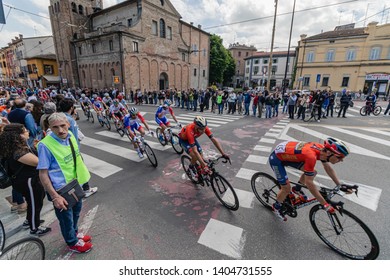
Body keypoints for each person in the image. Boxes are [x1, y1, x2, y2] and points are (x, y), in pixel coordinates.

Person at [37, 113, 93, 253]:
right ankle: (72, 242)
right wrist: (55, 196)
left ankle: (74, 233)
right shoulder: (45, 145)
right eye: (55, 127)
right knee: (66, 219)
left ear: (68, 124)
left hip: (74, 184)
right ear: (49, 127)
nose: (60, 130)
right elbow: (42, 174)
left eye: (63, 125)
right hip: (60, 190)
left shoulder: (70, 136)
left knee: (76, 212)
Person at [268, 138, 350, 221]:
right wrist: (325, 204)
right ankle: (276, 206)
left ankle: (297, 189)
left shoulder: (323, 151)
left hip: (289, 154)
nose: (341, 160)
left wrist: (339, 185)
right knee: (286, 188)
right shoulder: (311, 156)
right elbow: (309, 183)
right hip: (276, 159)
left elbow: (328, 168)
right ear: (329, 153)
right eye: (339, 157)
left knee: (312, 172)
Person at [0, 124, 49, 235]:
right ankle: (34, 227)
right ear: (19, 135)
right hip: (28, 181)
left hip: (26, 180)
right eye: (25, 131)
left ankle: (30, 220)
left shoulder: (15, 148)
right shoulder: (18, 151)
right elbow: (38, 162)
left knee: (37, 200)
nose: (28, 132)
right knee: (35, 203)